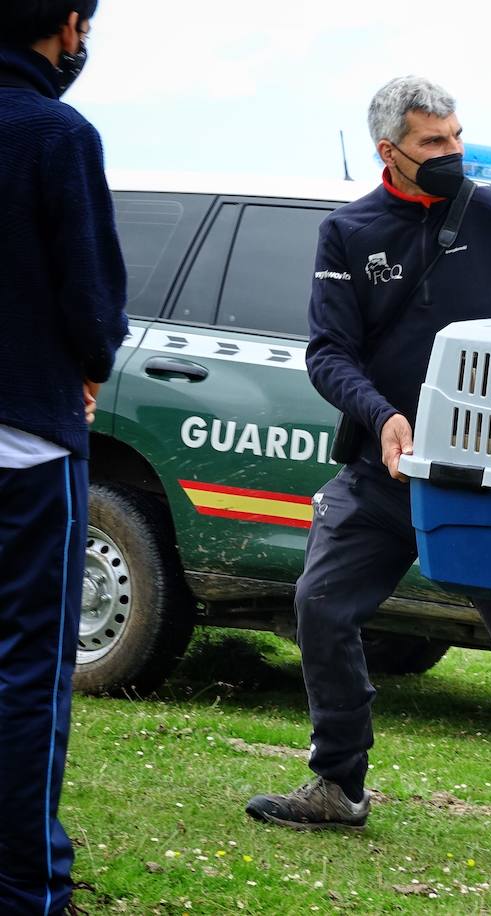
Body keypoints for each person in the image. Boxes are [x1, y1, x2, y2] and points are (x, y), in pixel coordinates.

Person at [245, 76, 491, 863]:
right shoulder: (349, 232)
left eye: (457, 135)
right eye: (434, 142)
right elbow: (328, 352)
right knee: (320, 605)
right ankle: (338, 786)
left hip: (480, 477)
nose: (453, 151)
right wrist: (383, 418)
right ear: (391, 151)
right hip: (381, 468)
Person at [0, 2, 127, 912]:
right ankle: (27, 886)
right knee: (27, 670)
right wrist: (88, 364)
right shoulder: (56, 133)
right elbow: (92, 302)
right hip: (27, 442)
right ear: (69, 26)